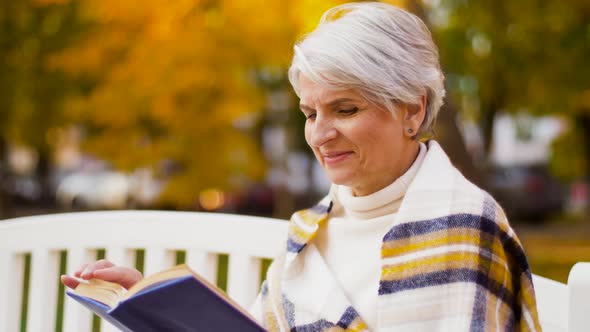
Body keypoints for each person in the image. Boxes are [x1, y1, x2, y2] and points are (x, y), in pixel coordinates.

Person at [62, 2, 541, 331]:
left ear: (413, 110)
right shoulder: (309, 231)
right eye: (310, 113)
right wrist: (154, 305)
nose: (319, 133)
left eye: (346, 109)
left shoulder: (465, 227)